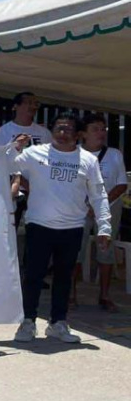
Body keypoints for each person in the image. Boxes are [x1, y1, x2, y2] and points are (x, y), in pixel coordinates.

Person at [9, 112, 111, 344]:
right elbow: (4, 165)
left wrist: (104, 227)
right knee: (33, 277)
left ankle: (58, 323)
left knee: (64, 278)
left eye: (68, 130)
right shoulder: (34, 153)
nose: (63, 134)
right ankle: (28, 322)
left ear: (78, 135)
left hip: (73, 228)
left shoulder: (88, 160)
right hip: (39, 226)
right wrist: (12, 148)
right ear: (51, 131)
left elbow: (98, 195)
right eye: (59, 129)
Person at [77, 113, 127, 312]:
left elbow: (121, 184)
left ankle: (104, 295)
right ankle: (70, 294)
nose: (101, 133)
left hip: (109, 204)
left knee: (105, 249)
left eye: (103, 128)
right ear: (83, 134)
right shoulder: (74, 153)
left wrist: (100, 204)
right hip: (79, 206)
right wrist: (86, 205)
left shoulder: (114, 154)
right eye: (95, 129)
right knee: (75, 249)